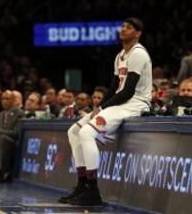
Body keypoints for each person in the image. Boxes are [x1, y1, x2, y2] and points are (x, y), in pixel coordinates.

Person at [60, 17, 152, 206]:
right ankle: (83, 184)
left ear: (138, 33)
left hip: (136, 103)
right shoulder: (120, 56)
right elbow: (113, 89)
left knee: (87, 132)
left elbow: (128, 91)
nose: (123, 29)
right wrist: (98, 106)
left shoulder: (139, 53)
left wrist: (102, 107)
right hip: (121, 102)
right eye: (123, 26)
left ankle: (93, 191)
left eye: (129, 27)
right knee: (73, 131)